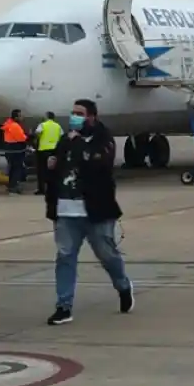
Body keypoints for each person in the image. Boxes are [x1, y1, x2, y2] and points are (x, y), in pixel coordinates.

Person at [44, 99, 134, 325]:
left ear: (92, 116)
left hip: (96, 210)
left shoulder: (104, 139)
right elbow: (55, 164)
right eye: (73, 113)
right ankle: (64, 306)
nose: (74, 117)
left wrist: (79, 145)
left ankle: (123, 285)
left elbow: (98, 164)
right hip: (66, 210)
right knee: (64, 257)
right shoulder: (66, 139)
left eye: (80, 113)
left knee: (107, 255)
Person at [33, 111, 63, 195]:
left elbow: (38, 132)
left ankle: (41, 189)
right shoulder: (58, 126)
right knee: (54, 171)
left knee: (41, 171)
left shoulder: (42, 125)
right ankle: (54, 188)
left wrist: (36, 138)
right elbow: (62, 135)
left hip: (43, 150)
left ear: (46, 117)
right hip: (54, 150)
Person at [1, 109, 28, 194]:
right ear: (16, 117)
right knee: (17, 168)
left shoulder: (8, 124)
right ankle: (14, 187)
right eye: (20, 116)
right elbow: (22, 138)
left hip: (9, 149)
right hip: (16, 149)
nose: (22, 117)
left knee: (12, 168)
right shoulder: (15, 126)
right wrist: (30, 137)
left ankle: (11, 185)